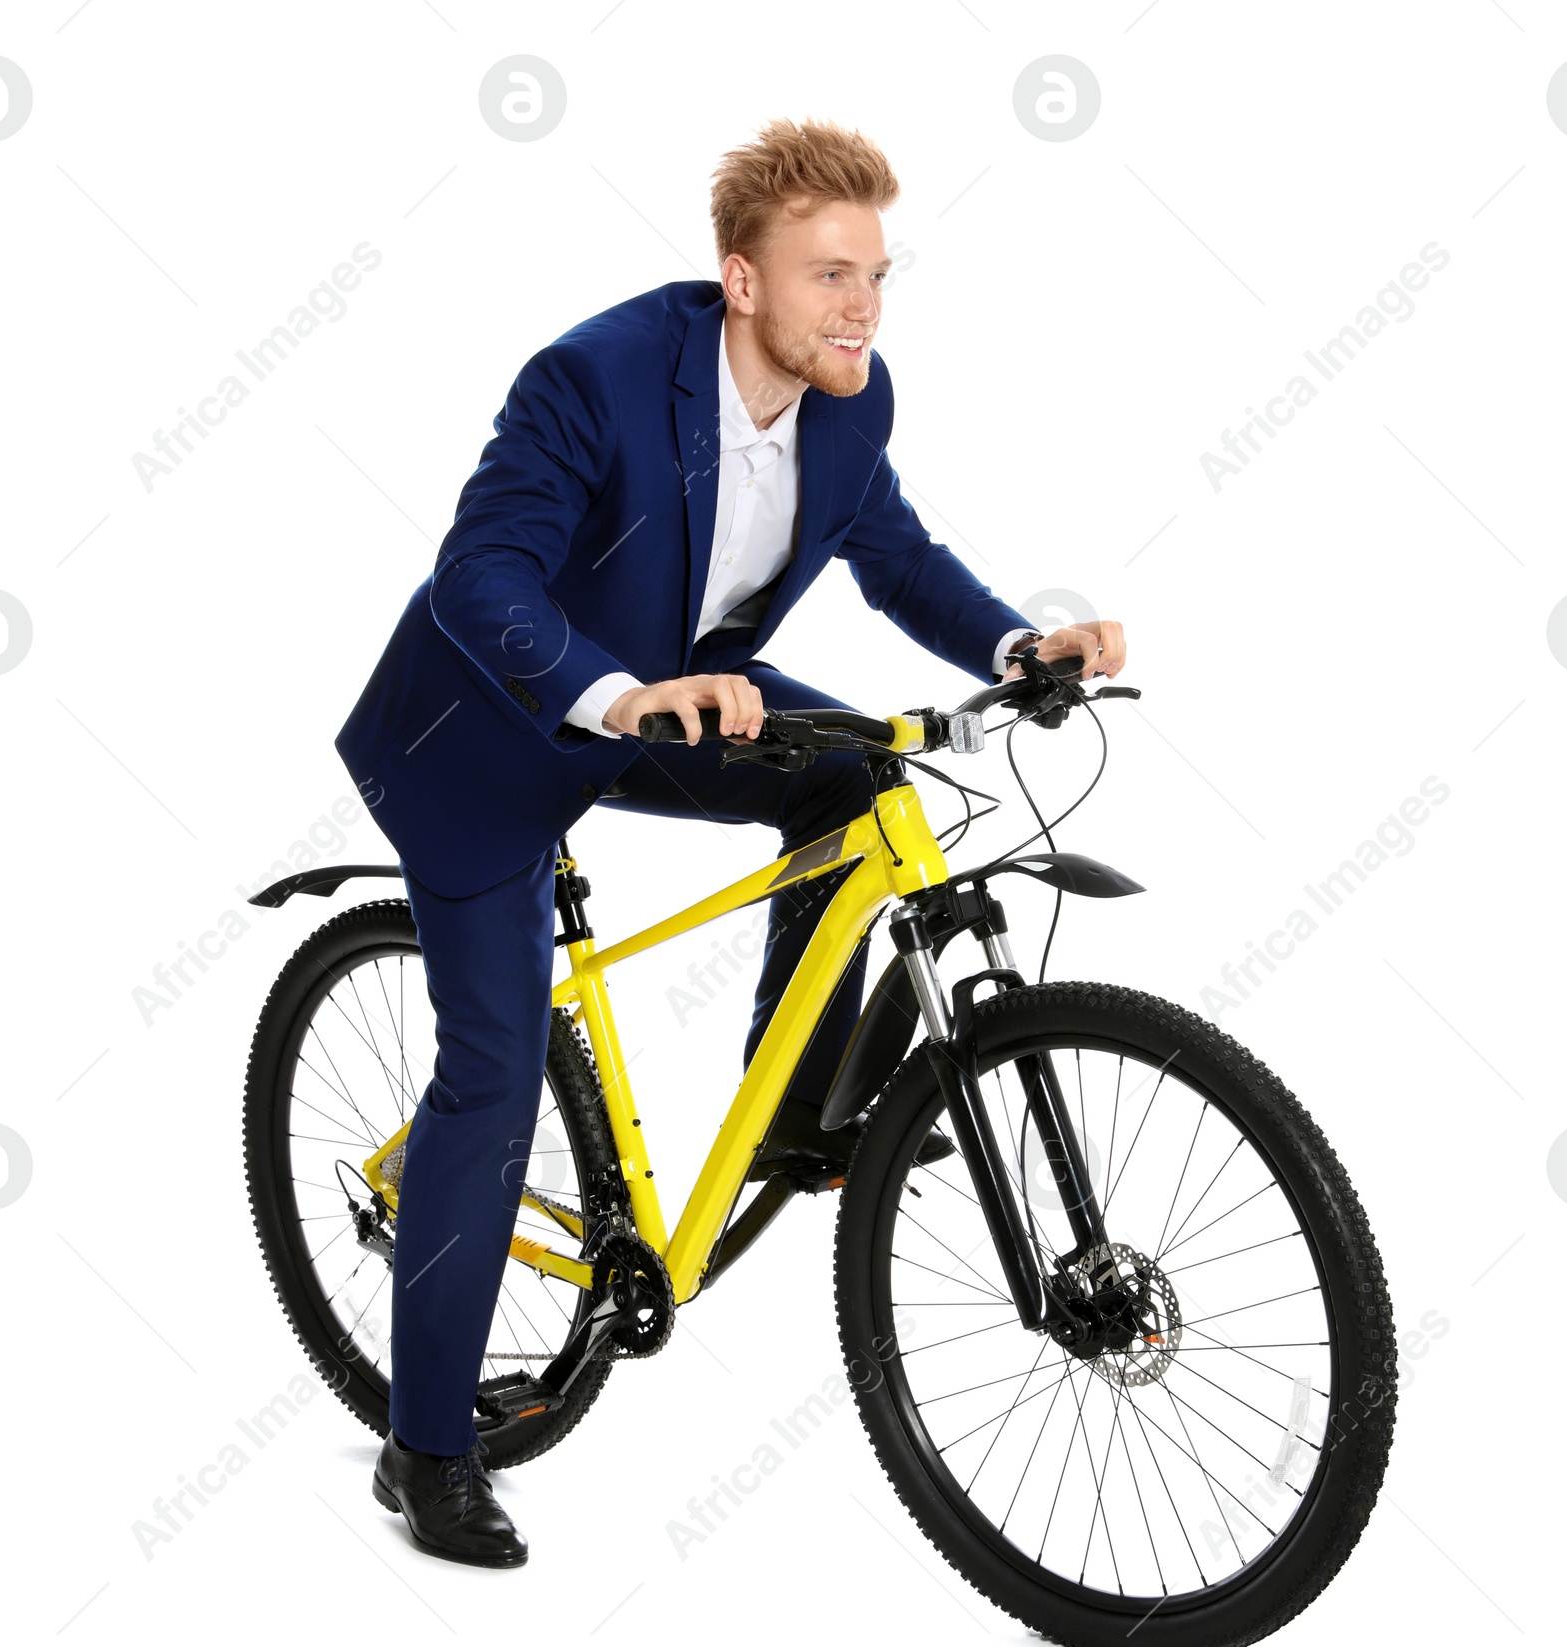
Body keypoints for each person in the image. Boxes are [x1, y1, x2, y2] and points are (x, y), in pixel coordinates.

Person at [334, 116, 1127, 1567]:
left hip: (680, 694)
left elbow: (891, 553)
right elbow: (482, 572)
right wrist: (621, 694)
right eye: (831, 276)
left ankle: (795, 1121)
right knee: (495, 1077)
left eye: (878, 276)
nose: (863, 309)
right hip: (486, 737)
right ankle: (424, 1443)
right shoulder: (600, 377)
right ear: (741, 280)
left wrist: (1019, 643)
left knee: (860, 783)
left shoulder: (849, 399)